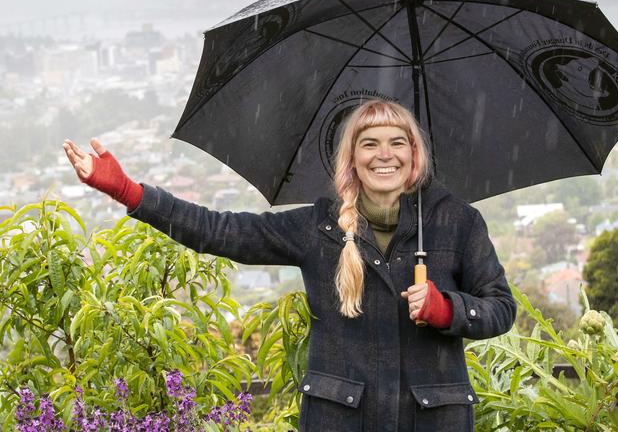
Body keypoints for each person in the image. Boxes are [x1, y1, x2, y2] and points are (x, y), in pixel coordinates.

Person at [63, 100, 516, 432]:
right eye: (370, 143)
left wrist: (448, 311)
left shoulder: (456, 221)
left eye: (398, 142)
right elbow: (220, 231)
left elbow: (500, 307)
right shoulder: (318, 227)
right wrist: (127, 190)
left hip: (434, 421)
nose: (385, 154)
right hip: (340, 420)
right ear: (352, 158)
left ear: (414, 155)